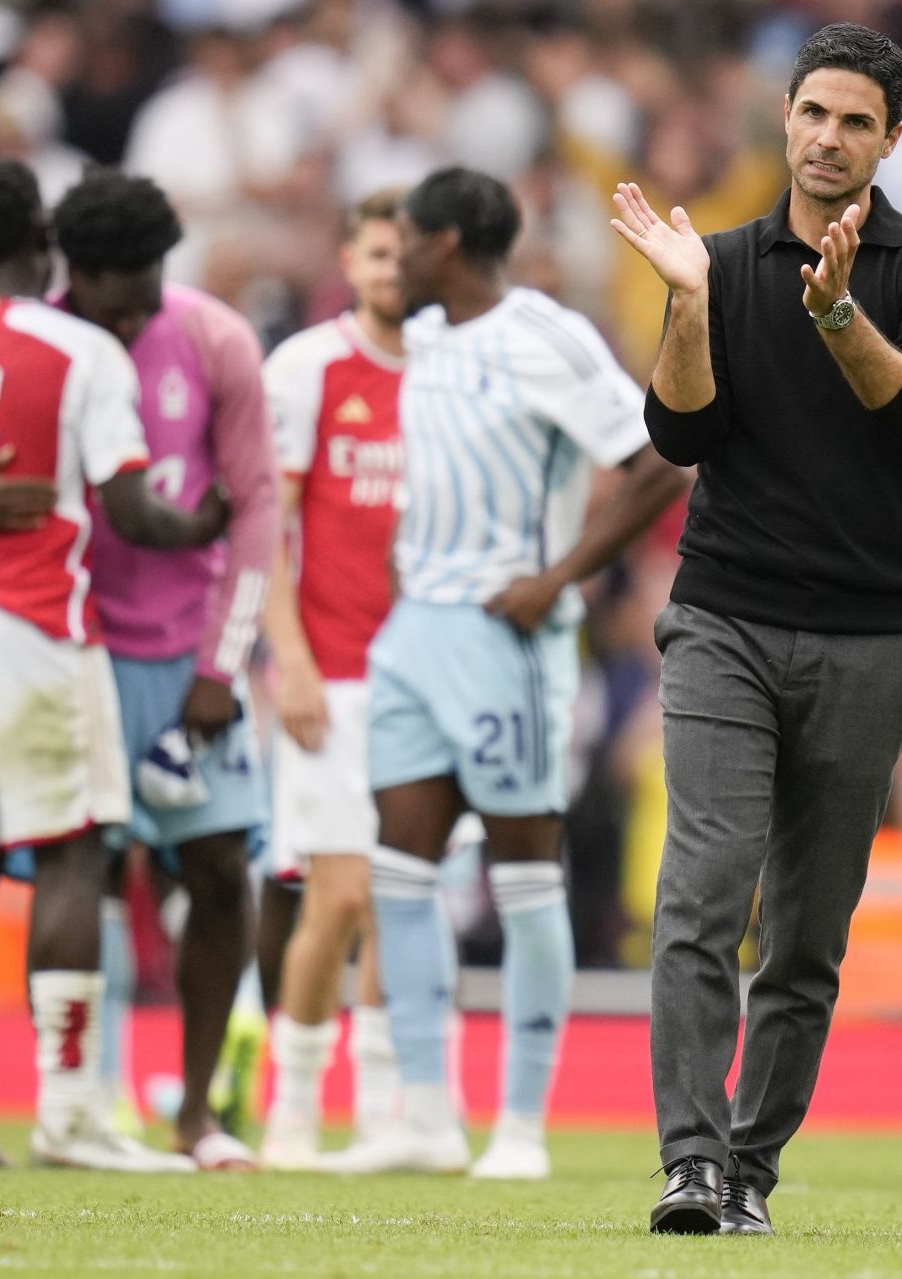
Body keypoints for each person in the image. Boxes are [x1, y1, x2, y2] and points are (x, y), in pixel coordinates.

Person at [612, 22, 902, 1235]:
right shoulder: (713, 261)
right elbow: (681, 437)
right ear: (785, 118)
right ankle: (689, 1161)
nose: (829, 137)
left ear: (890, 141)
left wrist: (834, 315)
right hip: (723, 615)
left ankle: (753, 1170)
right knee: (703, 889)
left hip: (872, 638)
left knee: (808, 934)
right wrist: (686, 300)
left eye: (856, 121)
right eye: (814, 112)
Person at [0, 157, 227, 1172]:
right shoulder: (81, 352)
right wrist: (203, 522)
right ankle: (70, 1112)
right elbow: (126, 507)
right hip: (39, 619)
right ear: (43, 248)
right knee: (75, 854)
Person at [348, 166, 690, 1180]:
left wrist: (556, 578)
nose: (391, 256)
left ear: (446, 243)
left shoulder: (546, 337)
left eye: (404, 238)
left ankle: (522, 1128)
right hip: (417, 628)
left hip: (508, 638)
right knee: (400, 870)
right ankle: (421, 1114)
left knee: (524, 871)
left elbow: (660, 461)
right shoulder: (426, 337)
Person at [49, 168, 280, 1171]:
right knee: (87, 872)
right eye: (119, 287)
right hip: (78, 644)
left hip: (189, 649)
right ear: (74, 272)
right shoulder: (45, 343)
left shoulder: (214, 337)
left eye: (152, 279)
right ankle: (88, 1102)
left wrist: (224, 661)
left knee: (223, 873)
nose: (139, 303)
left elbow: (259, 505)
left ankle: (195, 1111)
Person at [256, 189, 408, 1172]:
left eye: (408, 254)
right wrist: (290, 658)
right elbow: (267, 527)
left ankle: (387, 1112)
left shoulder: (452, 372)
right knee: (339, 895)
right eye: (378, 252)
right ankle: (295, 1105)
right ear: (348, 260)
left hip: (427, 679)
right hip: (335, 671)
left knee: (405, 902)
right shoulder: (308, 368)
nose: (394, 269)